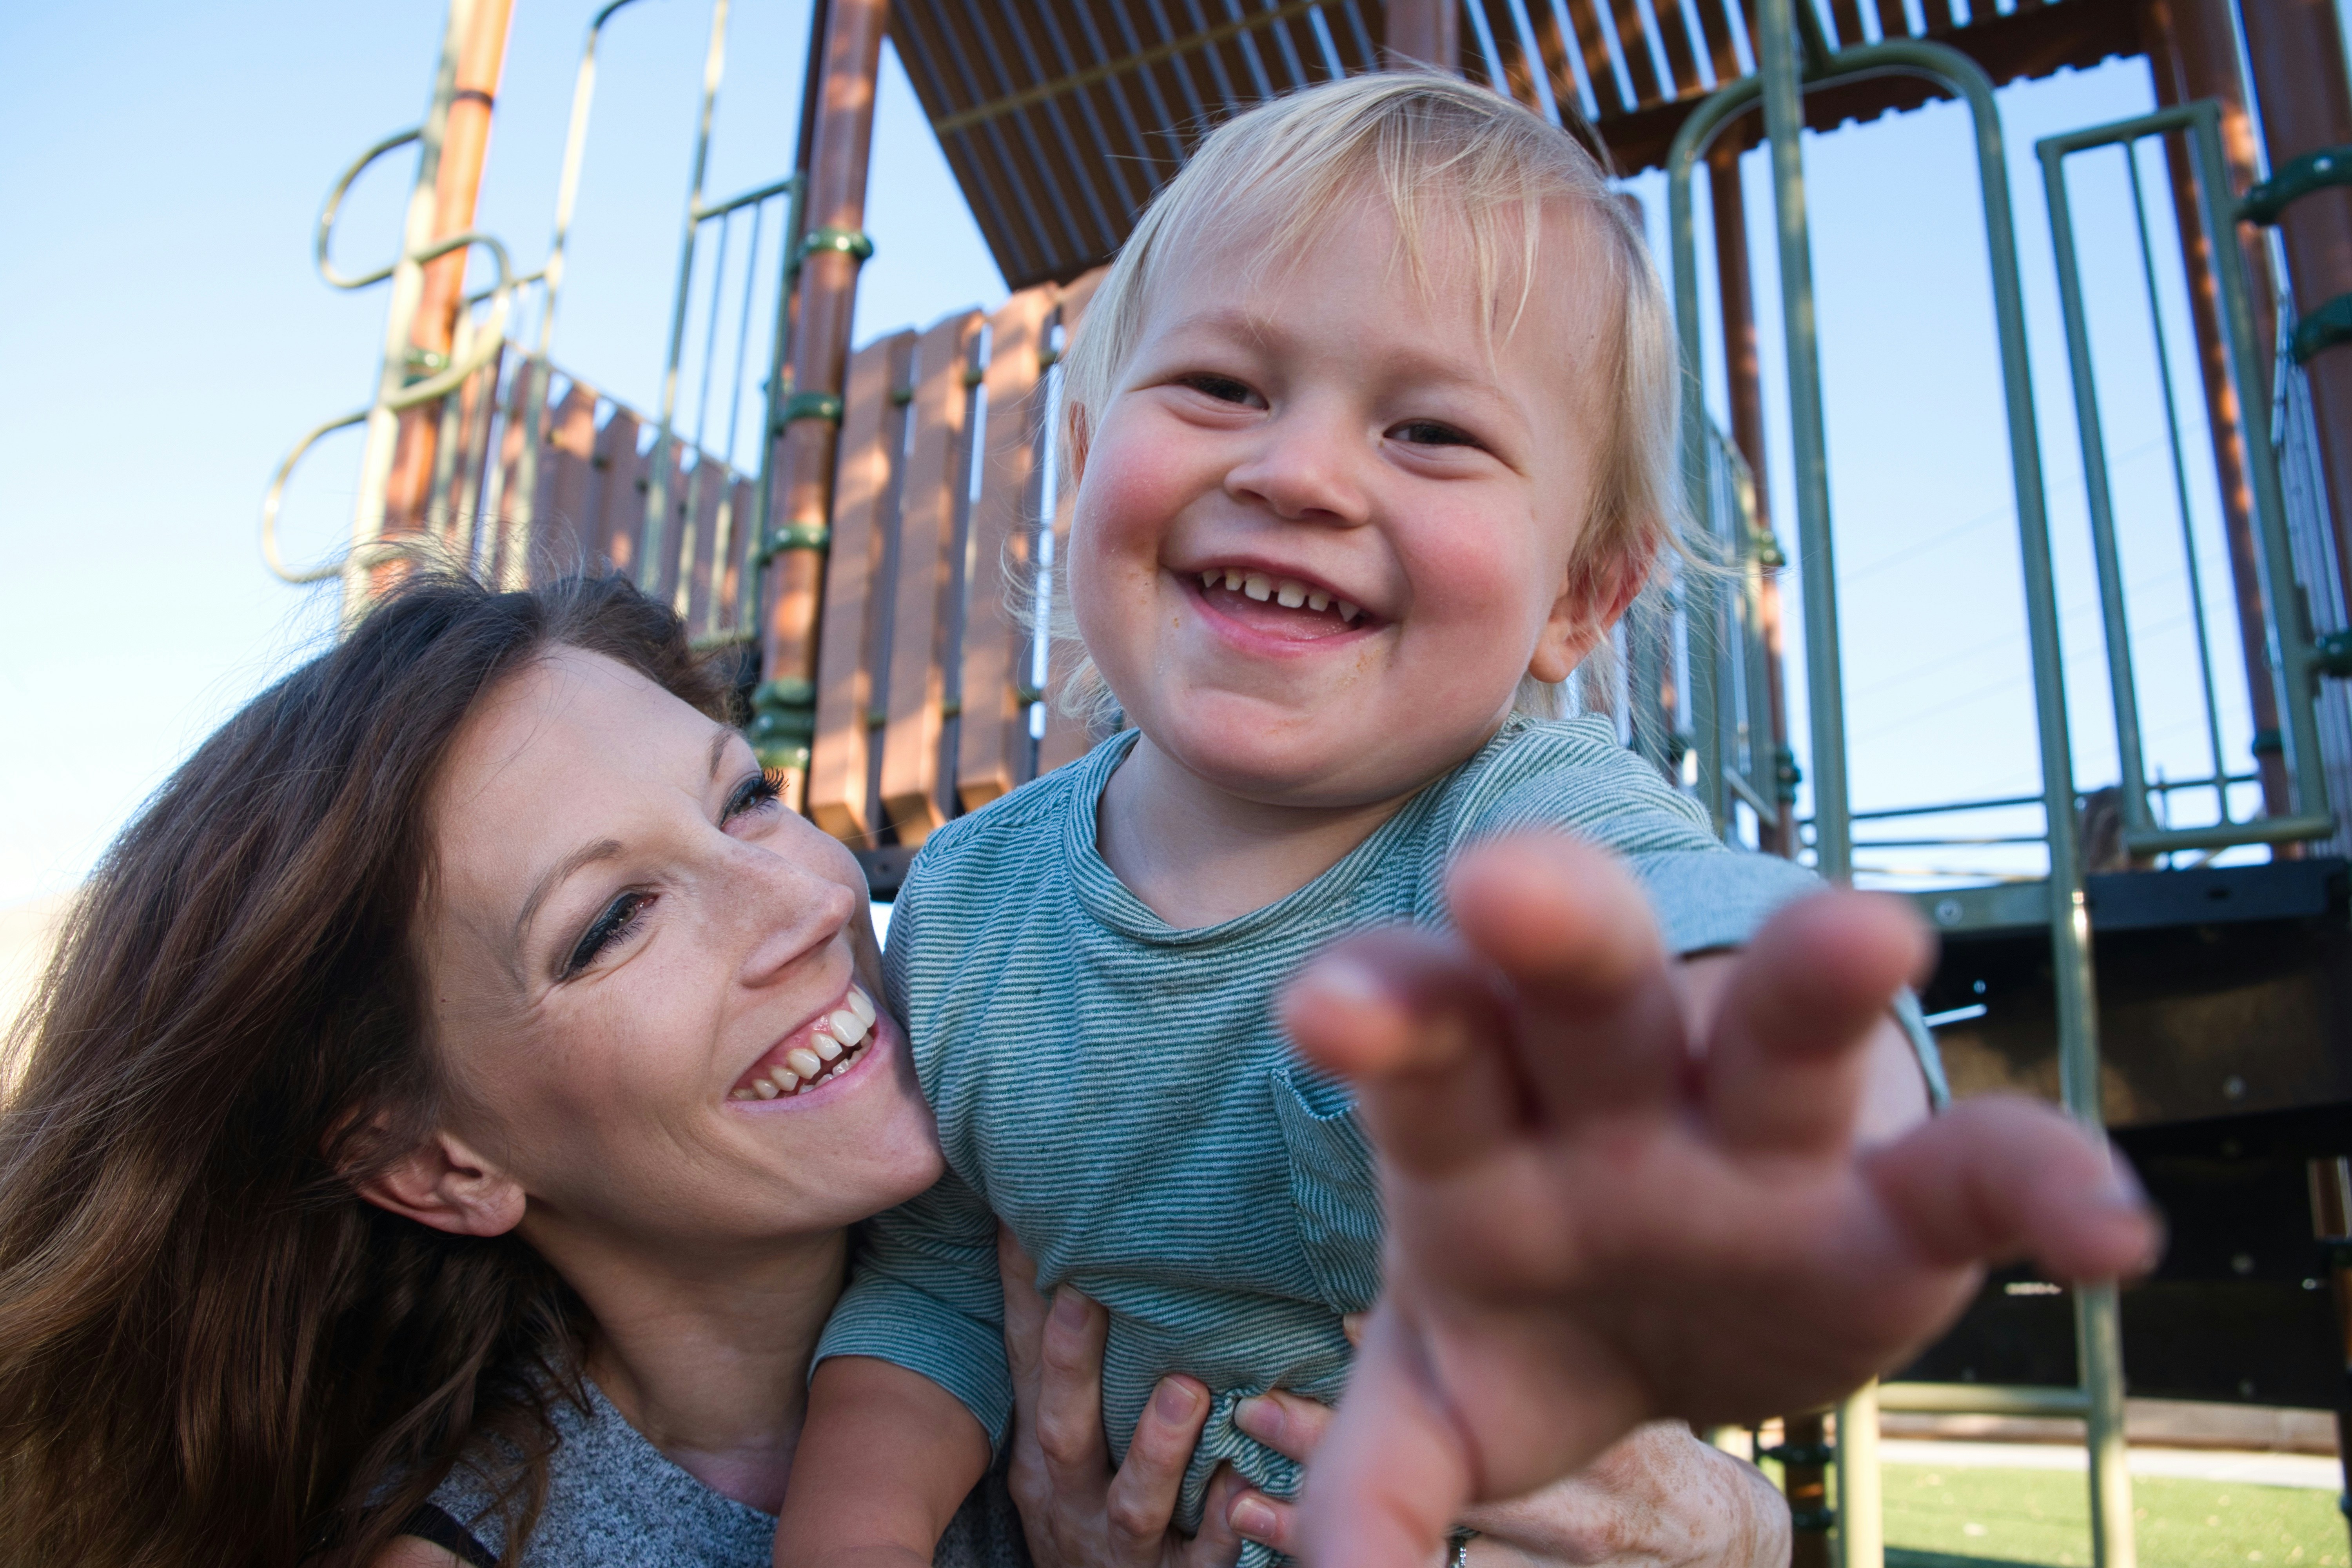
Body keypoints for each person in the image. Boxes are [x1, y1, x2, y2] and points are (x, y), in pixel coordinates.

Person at [776, 71, 2159, 1568]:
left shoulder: (1518, 831)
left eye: (1429, 431)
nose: (1296, 471)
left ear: (1576, 598)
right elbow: (931, 1299)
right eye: (1224, 388)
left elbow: (1694, 926)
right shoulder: (974, 905)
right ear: (1090, 452)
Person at [0, 570, 1797, 1568]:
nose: (798, 901)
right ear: (434, 1158)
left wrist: (1725, 1538)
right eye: (613, 920)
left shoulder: (1151, 1198)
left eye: (746, 800)